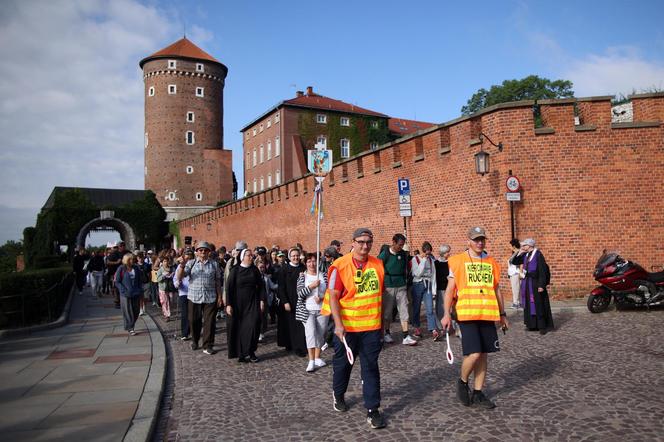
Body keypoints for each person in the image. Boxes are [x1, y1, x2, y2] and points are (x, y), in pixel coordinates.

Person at [321, 228, 387, 429]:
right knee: (343, 366)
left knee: (370, 368)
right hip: (347, 328)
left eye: (368, 242)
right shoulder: (339, 266)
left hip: (371, 327)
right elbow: (333, 296)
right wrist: (338, 325)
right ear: (353, 242)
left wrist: (383, 323)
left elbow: (381, 296)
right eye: (361, 242)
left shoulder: (378, 264)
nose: (365, 246)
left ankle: (372, 409)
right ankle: (338, 394)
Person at [441, 227, 508, 409]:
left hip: (487, 314)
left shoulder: (491, 262)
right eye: (476, 239)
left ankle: (478, 393)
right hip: (467, 314)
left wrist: (502, 314)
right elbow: (449, 291)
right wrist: (446, 314)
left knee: (484, 355)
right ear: (468, 241)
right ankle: (462, 382)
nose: (480, 243)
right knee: (474, 353)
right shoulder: (458, 261)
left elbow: (496, 290)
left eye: (482, 240)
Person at [176, 241, 223, 355]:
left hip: (210, 297)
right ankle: (195, 340)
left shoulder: (214, 264)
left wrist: (220, 297)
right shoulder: (191, 263)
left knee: (210, 322)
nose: (203, 252)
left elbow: (217, 281)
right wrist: (182, 265)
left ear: (209, 252)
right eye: (200, 250)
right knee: (193, 321)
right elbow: (180, 276)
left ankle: (208, 345)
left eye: (205, 250)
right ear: (196, 252)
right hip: (194, 297)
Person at [226, 248, 265, 363]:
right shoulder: (235, 270)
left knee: (254, 325)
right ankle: (241, 353)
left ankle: (251, 350)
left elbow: (261, 286)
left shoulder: (254, 270)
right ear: (242, 257)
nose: (251, 257)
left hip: (252, 302)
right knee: (240, 328)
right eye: (249, 255)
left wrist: (262, 300)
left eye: (252, 255)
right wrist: (229, 304)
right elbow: (229, 288)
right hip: (238, 303)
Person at [378, 234, 417, 346]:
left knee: (404, 308)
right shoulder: (384, 255)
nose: (401, 247)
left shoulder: (403, 254)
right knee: (388, 311)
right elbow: (378, 268)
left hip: (401, 285)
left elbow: (407, 268)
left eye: (402, 244)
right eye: (399, 244)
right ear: (393, 242)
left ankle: (406, 335)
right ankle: (387, 333)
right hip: (388, 285)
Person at [510, 238, 554, 334]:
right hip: (527, 283)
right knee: (529, 305)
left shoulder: (538, 255)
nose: (522, 246)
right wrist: (519, 252)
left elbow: (542, 271)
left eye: (524, 245)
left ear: (529, 246)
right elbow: (514, 261)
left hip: (535, 282)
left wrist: (541, 285)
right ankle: (532, 325)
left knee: (538, 304)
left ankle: (542, 326)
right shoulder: (525, 254)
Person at [296, 252, 329, 372]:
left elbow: (329, 292)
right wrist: (311, 286)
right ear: (305, 263)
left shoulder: (324, 275)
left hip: (322, 309)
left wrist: (321, 298)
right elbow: (299, 293)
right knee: (310, 333)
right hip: (307, 310)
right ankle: (311, 361)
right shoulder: (302, 277)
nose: (312, 263)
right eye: (309, 261)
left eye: (314, 261)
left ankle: (317, 357)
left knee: (321, 334)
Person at [277, 247, 307, 356]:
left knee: (299, 325)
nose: (296, 257)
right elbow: (281, 287)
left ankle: (299, 347)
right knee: (289, 325)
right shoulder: (284, 269)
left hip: (300, 301)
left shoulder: (303, 268)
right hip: (288, 300)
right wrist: (285, 301)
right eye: (293, 256)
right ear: (290, 257)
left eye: (297, 255)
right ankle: (289, 343)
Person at [410, 241, 439, 340]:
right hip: (418, 284)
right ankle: (417, 328)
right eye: (427, 253)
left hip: (428, 284)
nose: (428, 255)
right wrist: (423, 260)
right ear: (423, 251)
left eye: (429, 253)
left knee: (430, 308)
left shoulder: (431, 260)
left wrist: (434, 290)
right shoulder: (415, 259)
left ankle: (433, 329)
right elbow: (417, 273)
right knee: (417, 308)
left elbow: (433, 275)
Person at [114, 253, 143, 335]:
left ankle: (130, 324)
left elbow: (139, 280)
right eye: (130, 259)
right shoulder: (121, 268)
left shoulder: (136, 268)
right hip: (125, 294)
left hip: (136, 293)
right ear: (126, 260)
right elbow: (117, 282)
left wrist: (140, 289)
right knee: (128, 311)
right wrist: (123, 290)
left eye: (132, 259)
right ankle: (131, 328)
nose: (132, 260)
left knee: (136, 311)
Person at [174, 249, 193, 341]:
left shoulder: (194, 265)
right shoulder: (180, 267)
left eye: (189, 258)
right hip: (184, 292)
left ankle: (192, 330)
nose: (188, 259)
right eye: (186, 257)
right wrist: (177, 283)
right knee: (185, 313)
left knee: (193, 313)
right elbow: (175, 279)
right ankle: (184, 333)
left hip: (194, 292)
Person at [434, 245, 451, 328]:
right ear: (443, 253)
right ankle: (441, 326)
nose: (449, 253)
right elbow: (435, 276)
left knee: (449, 308)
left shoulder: (450, 262)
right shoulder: (436, 263)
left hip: (449, 288)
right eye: (447, 252)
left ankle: (450, 325)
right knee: (440, 308)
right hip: (440, 288)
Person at [157, 256, 176, 321]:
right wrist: (163, 276)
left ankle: (168, 312)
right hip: (163, 288)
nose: (166, 262)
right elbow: (158, 279)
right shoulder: (160, 270)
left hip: (170, 288)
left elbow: (175, 277)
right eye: (164, 261)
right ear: (162, 262)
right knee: (164, 302)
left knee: (171, 300)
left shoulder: (171, 269)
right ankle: (166, 315)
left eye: (167, 261)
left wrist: (172, 275)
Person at [507, 238, 522, 309]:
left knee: (516, 289)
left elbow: (520, 264)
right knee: (515, 288)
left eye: (510, 245)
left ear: (513, 246)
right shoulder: (515, 253)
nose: (509, 247)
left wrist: (520, 273)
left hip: (516, 273)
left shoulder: (519, 253)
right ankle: (516, 302)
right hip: (512, 274)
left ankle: (516, 303)